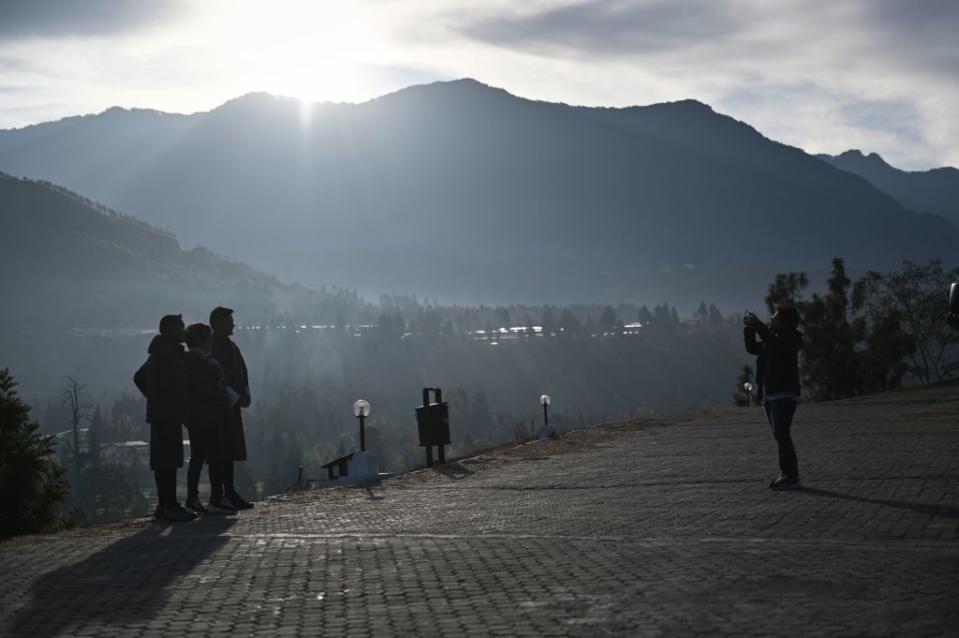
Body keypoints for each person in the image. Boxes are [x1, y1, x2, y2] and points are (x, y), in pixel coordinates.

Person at [133, 314, 196, 521]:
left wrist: (154, 398)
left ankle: (164, 504)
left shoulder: (158, 352)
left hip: (160, 414)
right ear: (170, 329)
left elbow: (139, 377)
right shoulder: (170, 353)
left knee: (163, 460)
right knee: (169, 460)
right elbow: (174, 386)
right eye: (181, 326)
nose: (184, 330)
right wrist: (174, 405)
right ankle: (170, 505)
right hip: (169, 414)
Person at [744, 305, 804, 490]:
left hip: (785, 393)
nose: (771, 318)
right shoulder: (772, 340)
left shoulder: (791, 339)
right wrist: (749, 329)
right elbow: (753, 348)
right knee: (780, 436)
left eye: (775, 316)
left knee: (782, 434)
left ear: (785, 322)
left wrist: (759, 326)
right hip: (771, 394)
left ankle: (791, 476)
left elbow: (776, 344)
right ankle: (787, 475)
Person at [183, 322, 239, 515]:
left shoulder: (204, 359)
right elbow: (200, 388)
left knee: (211, 456)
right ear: (201, 341)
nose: (212, 341)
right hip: (202, 414)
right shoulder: (194, 361)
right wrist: (217, 392)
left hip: (208, 414)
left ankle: (208, 496)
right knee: (203, 456)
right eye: (209, 338)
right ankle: (202, 498)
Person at [210, 306, 254, 510]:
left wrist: (243, 395)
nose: (233, 324)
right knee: (219, 452)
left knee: (228, 452)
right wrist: (233, 395)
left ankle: (229, 492)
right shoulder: (212, 347)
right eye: (229, 321)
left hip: (231, 407)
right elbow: (215, 378)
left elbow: (241, 373)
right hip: (218, 409)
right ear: (218, 324)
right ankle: (219, 495)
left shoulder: (231, 347)